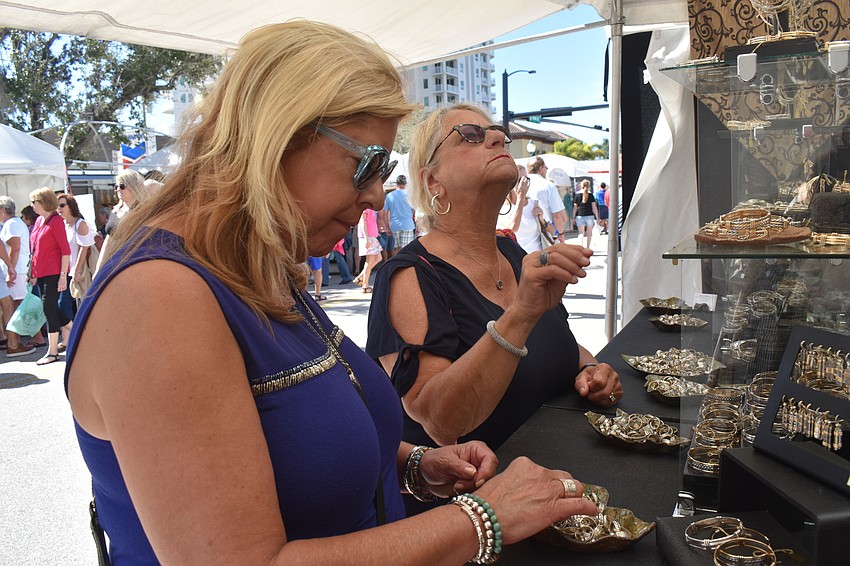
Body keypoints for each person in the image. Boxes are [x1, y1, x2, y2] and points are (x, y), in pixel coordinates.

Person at [64, 22, 597, 564]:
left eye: (383, 170)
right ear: (280, 133)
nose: (373, 196)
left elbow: (296, 436)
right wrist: (484, 518)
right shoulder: (159, 295)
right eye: (366, 164)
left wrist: (412, 465)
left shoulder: (247, 264)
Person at [365, 103, 623, 505]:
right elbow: (440, 421)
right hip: (477, 518)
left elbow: (559, 346)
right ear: (433, 180)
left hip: (559, 490)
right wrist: (520, 314)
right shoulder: (410, 275)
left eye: (498, 132)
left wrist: (591, 369)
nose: (498, 138)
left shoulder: (512, 251)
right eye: (470, 134)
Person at [28, 187, 73, 365]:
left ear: (43, 202)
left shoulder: (56, 221)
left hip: (54, 272)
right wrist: (32, 273)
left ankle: (53, 351)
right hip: (41, 272)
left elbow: (65, 250)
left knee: (49, 309)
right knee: (51, 307)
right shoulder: (40, 221)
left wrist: (63, 276)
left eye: (34, 202)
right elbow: (36, 250)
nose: (32, 206)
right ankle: (77, 330)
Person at [0, 196, 37, 357]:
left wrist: (10, 269)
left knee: (14, 305)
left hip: (17, 269)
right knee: (13, 305)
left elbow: (13, 249)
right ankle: (15, 342)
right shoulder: (15, 223)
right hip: (18, 269)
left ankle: (15, 342)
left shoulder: (11, 224)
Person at [515, 157, 568, 253]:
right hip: (539, 238)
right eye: (546, 168)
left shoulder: (523, 183)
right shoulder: (548, 185)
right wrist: (561, 233)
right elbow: (557, 215)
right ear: (540, 168)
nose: (546, 170)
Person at [57, 193, 97, 317]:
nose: (59, 209)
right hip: (66, 271)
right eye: (57, 206)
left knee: (82, 304)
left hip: (80, 270)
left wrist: (77, 270)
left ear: (71, 206)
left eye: (62, 205)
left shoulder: (80, 224)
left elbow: (84, 248)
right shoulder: (63, 225)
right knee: (67, 306)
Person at [385, 174, 416, 255]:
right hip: (407, 224)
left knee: (395, 248)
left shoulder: (389, 196)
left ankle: (395, 265)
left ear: (396, 183)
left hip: (394, 225)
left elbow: (385, 213)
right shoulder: (409, 195)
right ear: (405, 184)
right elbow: (414, 211)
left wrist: (386, 227)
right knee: (407, 249)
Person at [354, 207, 382, 293]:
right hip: (368, 236)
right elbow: (362, 222)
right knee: (370, 261)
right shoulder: (365, 209)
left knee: (378, 258)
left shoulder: (370, 209)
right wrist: (367, 238)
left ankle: (361, 277)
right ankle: (365, 285)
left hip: (371, 236)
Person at [574, 179, 598, 249]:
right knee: (589, 234)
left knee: (581, 233)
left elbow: (575, 207)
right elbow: (594, 207)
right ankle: (588, 248)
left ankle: (581, 248)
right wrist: (597, 217)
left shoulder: (577, 195)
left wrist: (573, 217)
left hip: (580, 216)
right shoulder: (591, 195)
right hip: (589, 216)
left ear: (581, 186)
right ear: (589, 186)